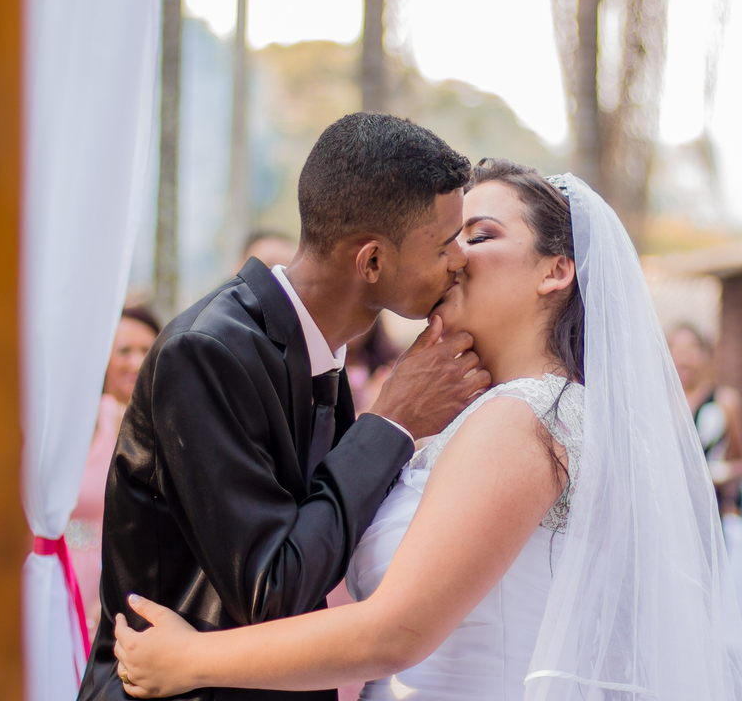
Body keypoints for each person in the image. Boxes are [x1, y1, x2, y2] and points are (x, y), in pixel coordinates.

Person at [110, 162, 742, 700]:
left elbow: (395, 633)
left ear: (554, 270)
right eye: (447, 240)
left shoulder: (527, 417)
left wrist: (191, 660)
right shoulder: (504, 416)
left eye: (479, 235)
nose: (451, 259)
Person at [78, 113, 492, 701]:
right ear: (370, 261)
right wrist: (390, 422)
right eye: (444, 243)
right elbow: (271, 589)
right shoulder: (207, 352)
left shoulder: (317, 349)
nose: (461, 259)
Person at [69, 306, 160, 636]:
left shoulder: (129, 424)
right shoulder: (68, 424)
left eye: (146, 351)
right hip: (56, 580)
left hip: (113, 589)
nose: (136, 362)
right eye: (124, 350)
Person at [669, 323, 742, 515]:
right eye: (676, 350)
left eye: (692, 349)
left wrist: (722, 473)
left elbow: (740, 462)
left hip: (709, 507)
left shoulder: (726, 402)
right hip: (666, 506)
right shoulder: (656, 402)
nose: (684, 359)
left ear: (706, 355)